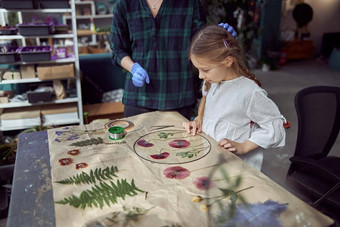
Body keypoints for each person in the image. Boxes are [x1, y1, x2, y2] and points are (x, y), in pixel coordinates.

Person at [182, 23, 286, 171]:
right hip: (212, 162)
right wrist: (199, 121)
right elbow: (213, 114)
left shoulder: (249, 92)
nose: (200, 75)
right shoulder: (212, 80)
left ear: (228, 61)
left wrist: (244, 146)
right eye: (198, 69)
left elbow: (275, 126)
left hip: (236, 171)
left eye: (205, 69)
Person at [110, 0, 207, 119]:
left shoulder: (190, 4)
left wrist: (220, 38)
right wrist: (133, 68)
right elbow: (117, 49)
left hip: (179, 95)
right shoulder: (125, 4)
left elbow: (202, 43)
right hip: (138, 97)